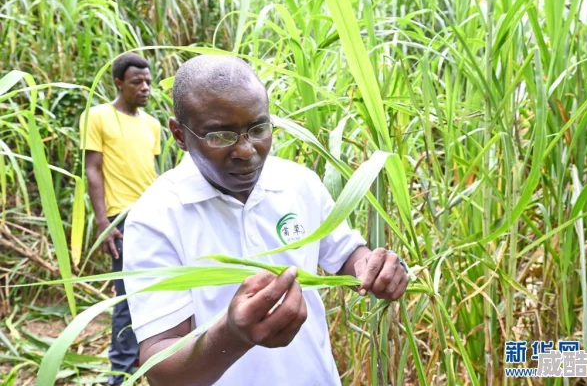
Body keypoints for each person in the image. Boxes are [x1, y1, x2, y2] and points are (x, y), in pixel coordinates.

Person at [122, 55, 408, 386]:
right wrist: (231, 336)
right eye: (220, 136)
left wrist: (375, 267)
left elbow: (346, 254)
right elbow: (160, 367)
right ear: (179, 135)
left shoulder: (298, 183)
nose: (246, 150)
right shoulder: (156, 217)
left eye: (258, 129)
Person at [79, 52, 161, 386]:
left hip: (154, 216)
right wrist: (104, 224)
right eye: (136, 82)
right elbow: (93, 170)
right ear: (118, 83)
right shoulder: (98, 116)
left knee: (160, 293)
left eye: (148, 82)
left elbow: (152, 172)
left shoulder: (153, 124)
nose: (145, 88)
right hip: (122, 219)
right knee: (127, 299)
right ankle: (122, 376)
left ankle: (154, 366)